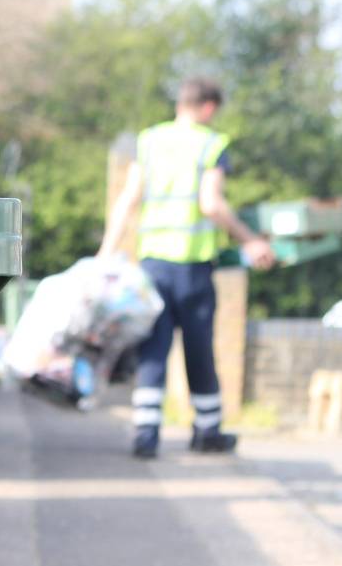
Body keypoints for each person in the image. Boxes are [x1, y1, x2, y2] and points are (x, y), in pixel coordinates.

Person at [99, 77, 276, 458]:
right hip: (193, 268)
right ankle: (207, 431)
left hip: (152, 267)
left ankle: (145, 434)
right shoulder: (211, 144)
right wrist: (251, 240)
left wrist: (104, 256)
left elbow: (128, 200)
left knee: (153, 348)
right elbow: (211, 204)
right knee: (199, 350)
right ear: (209, 107)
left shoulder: (148, 141)